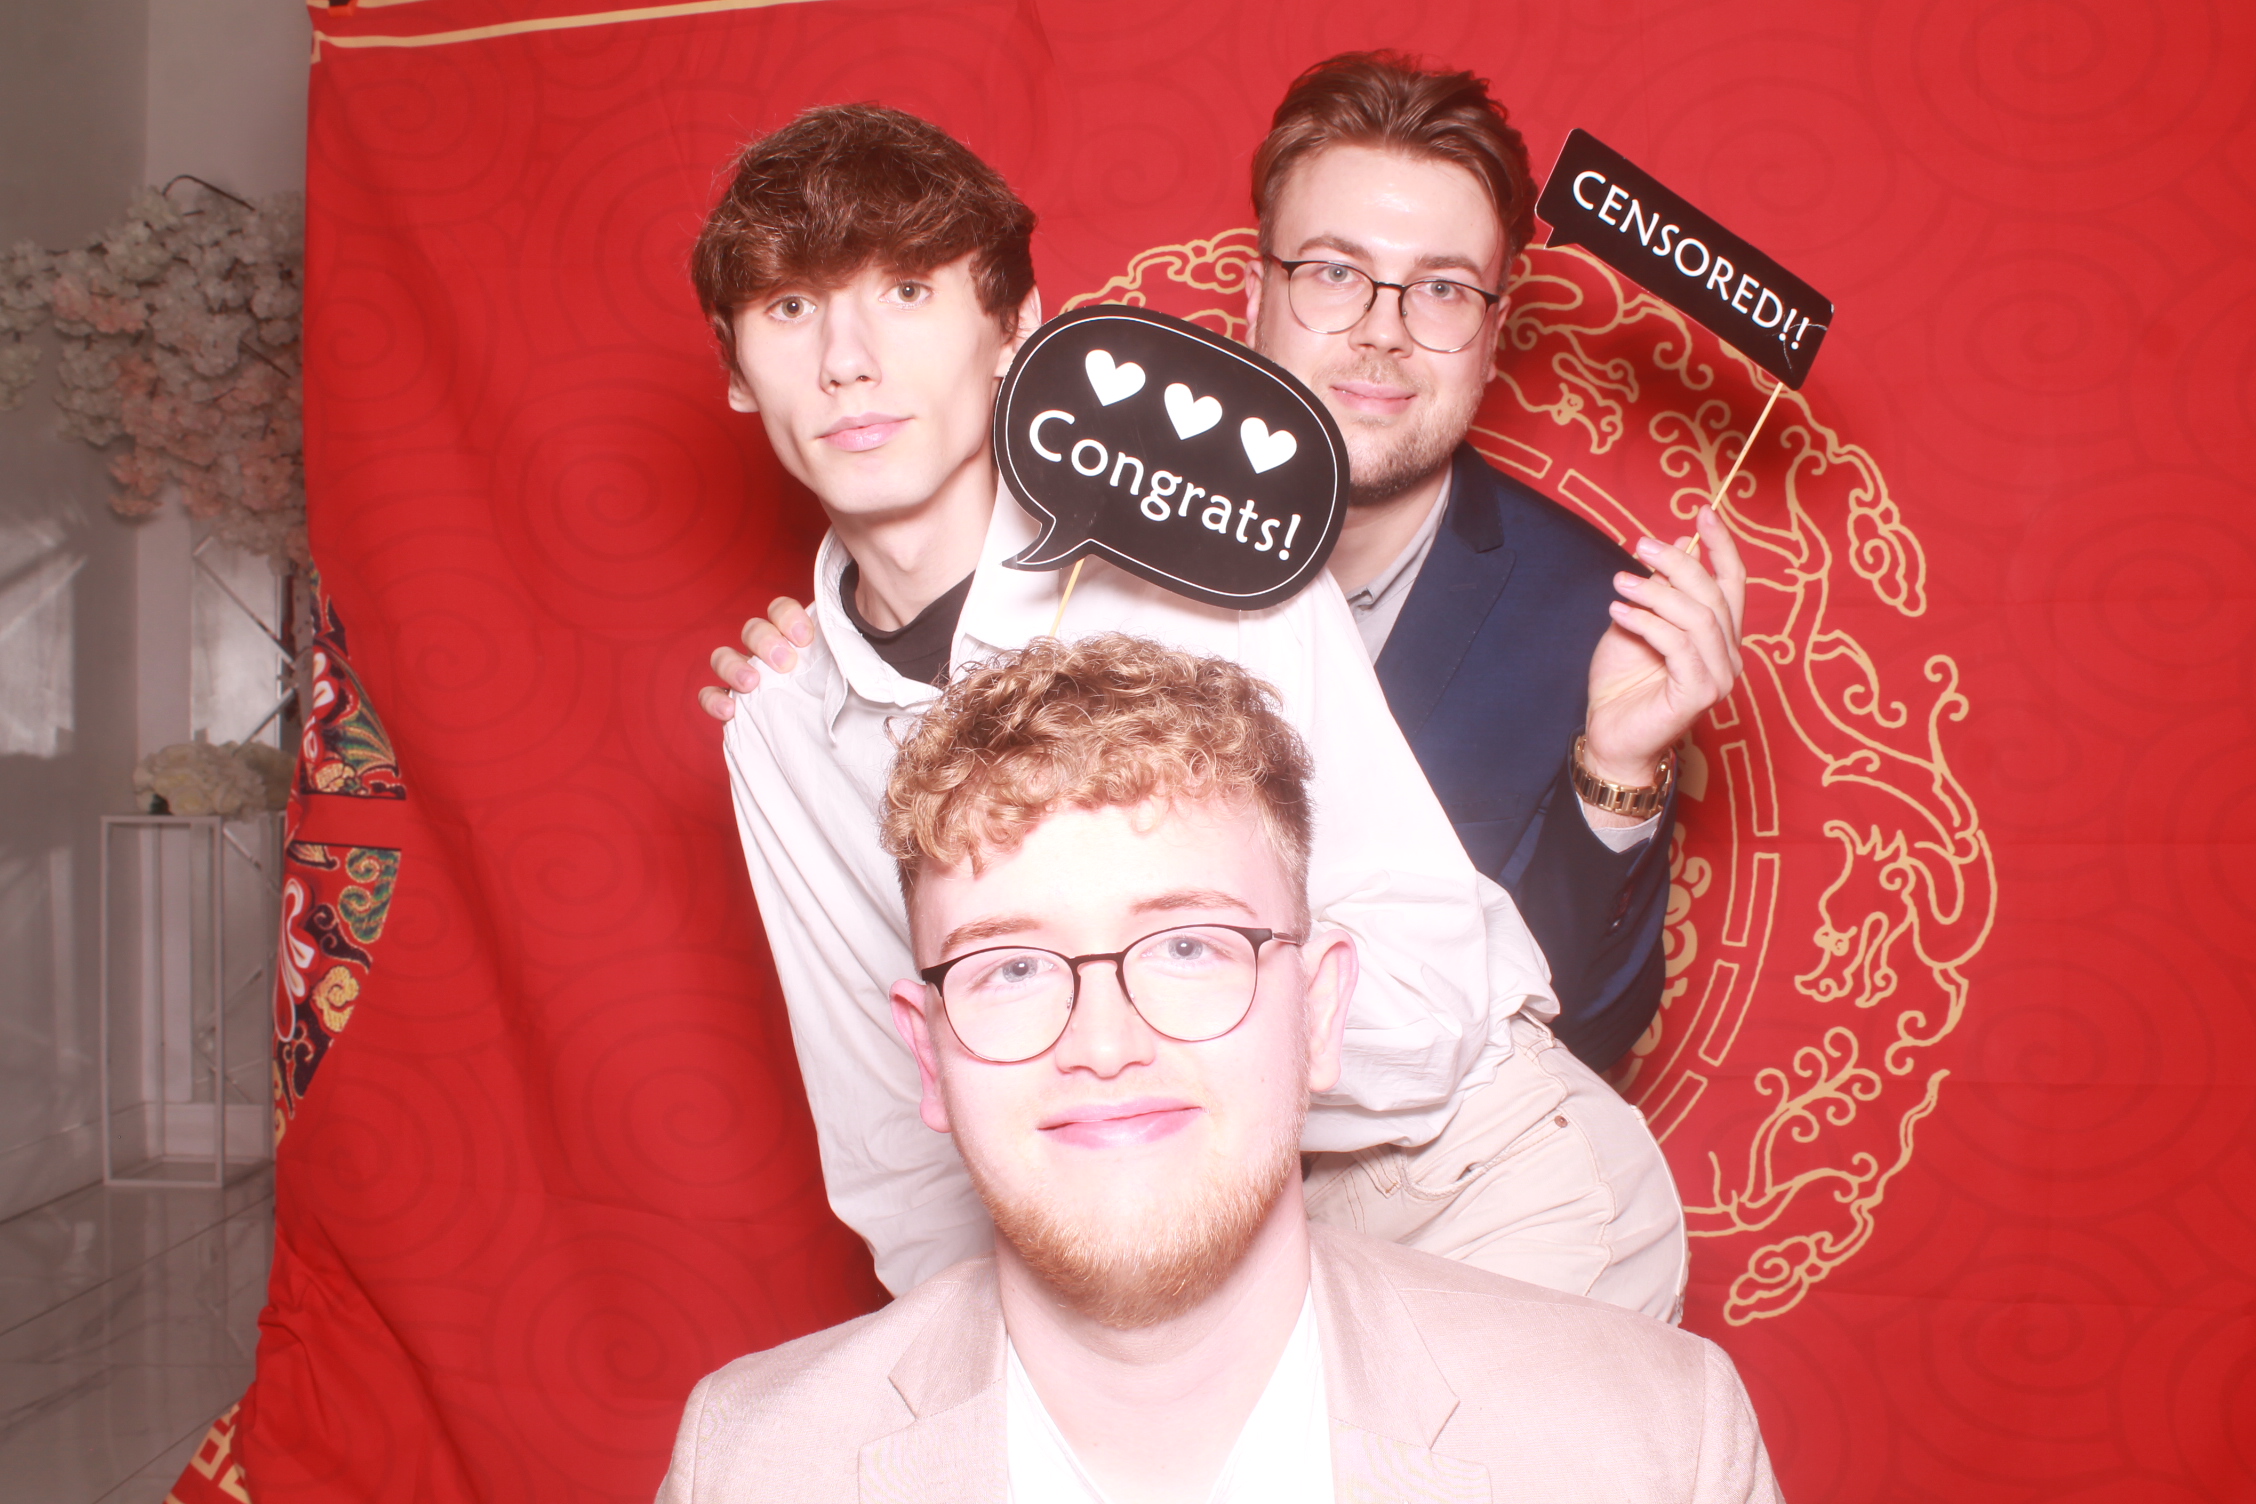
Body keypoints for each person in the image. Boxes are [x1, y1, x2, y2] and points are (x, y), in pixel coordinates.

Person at [689, 103, 1688, 1317]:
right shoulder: (783, 728)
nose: (847, 359)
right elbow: (901, 1144)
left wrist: (1102, 1040)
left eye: (906, 292)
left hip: (1458, 1183)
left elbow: (1430, 1007)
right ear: (736, 371)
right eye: (790, 308)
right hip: (1172, 1258)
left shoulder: (1205, 555)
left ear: (1016, 327)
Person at [655, 637, 1783, 1504]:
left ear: (1320, 1010)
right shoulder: (750, 1467)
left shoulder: (1652, 1445)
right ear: (928, 1053)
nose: (1104, 1044)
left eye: (1189, 947)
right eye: (1013, 968)